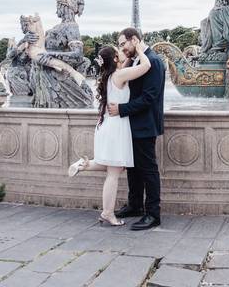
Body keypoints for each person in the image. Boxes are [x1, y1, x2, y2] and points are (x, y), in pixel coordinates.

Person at [67, 45, 150, 226]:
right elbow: (146, 66)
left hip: (107, 126)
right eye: (117, 50)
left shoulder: (109, 76)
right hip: (116, 127)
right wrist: (139, 48)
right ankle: (107, 213)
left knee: (115, 166)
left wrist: (126, 56)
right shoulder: (119, 75)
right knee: (113, 173)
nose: (121, 52)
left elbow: (125, 64)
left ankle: (83, 165)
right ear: (114, 59)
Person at [107, 27, 166, 231]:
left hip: (145, 124)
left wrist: (121, 109)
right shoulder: (137, 60)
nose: (122, 48)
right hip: (132, 123)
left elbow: (149, 97)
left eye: (124, 43)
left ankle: (153, 214)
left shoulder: (154, 61)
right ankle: (135, 205)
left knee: (148, 170)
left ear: (134, 40)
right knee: (132, 168)